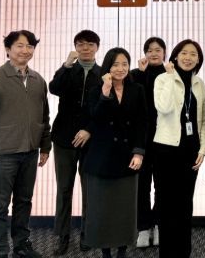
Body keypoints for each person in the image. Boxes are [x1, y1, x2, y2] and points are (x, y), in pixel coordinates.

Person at [0, 30, 51, 258]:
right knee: (0, 204)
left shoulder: (38, 80)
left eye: (30, 46)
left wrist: (45, 146)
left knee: (24, 201)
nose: (25, 50)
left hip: (30, 151)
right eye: (20, 45)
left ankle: (21, 245)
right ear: (8, 49)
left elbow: (44, 116)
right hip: (2, 153)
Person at [82, 47, 147, 258]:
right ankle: (105, 251)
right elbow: (96, 118)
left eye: (124, 64)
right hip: (102, 157)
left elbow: (142, 123)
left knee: (124, 209)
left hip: (127, 156)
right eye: (116, 64)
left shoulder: (137, 89)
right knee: (103, 209)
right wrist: (105, 92)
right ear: (108, 67)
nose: (120, 69)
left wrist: (139, 152)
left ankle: (122, 250)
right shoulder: (96, 90)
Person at [153, 39, 205, 258]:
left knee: (185, 205)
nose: (188, 57)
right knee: (166, 205)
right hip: (166, 150)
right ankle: (167, 253)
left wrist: (202, 149)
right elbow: (164, 107)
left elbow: (203, 121)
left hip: (190, 151)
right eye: (184, 53)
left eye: (193, 54)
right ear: (175, 56)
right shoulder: (162, 79)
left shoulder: (199, 84)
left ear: (198, 59)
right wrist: (170, 76)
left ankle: (184, 252)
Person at [49, 30, 101, 255]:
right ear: (75, 47)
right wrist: (66, 65)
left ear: (97, 47)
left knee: (89, 190)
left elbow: (105, 108)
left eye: (90, 44)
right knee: (64, 189)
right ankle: (62, 236)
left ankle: (87, 234)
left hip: (91, 141)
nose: (85, 48)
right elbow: (54, 88)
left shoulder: (104, 73)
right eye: (80, 44)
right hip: (63, 139)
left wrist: (89, 129)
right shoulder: (68, 69)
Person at [130, 37, 166, 249]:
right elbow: (135, 101)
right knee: (141, 186)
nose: (154, 53)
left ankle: (159, 225)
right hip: (141, 140)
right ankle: (143, 227)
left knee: (162, 185)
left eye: (158, 50)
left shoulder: (170, 74)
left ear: (164, 53)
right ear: (145, 53)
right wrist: (141, 74)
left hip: (164, 139)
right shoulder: (135, 75)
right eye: (150, 50)